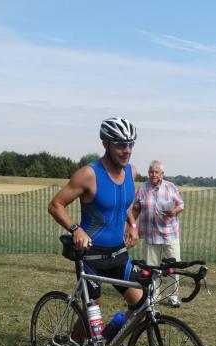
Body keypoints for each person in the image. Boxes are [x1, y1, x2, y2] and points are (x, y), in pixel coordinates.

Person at [48, 117, 142, 312]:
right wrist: (76, 229)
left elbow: (121, 205)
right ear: (106, 144)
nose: (127, 150)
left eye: (130, 144)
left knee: (142, 305)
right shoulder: (89, 174)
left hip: (119, 253)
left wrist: (132, 224)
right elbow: (56, 205)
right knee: (92, 317)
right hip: (91, 256)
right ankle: (81, 332)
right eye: (120, 144)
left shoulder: (131, 172)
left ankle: (115, 332)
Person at [131, 160, 185, 307]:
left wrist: (174, 211)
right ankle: (153, 296)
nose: (153, 174)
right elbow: (135, 208)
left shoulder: (170, 187)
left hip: (170, 234)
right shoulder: (143, 188)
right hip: (151, 235)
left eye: (156, 172)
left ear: (162, 174)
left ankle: (173, 296)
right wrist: (131, 226)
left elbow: (181, 205)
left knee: (174, 266)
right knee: (151, 268)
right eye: (151, 172)